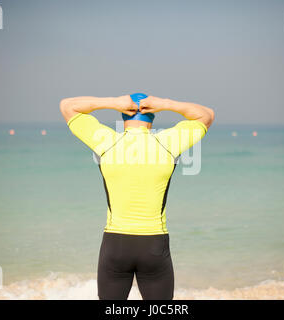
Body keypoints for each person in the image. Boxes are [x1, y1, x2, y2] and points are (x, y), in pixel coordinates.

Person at [60, 94, 214, 300]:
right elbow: (206, 115)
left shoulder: (107, 142)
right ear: (152, 117)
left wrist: (113, 102)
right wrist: (165, 104)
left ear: (123, 116)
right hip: (154, 246)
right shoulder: (167, 143)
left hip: (115, 245)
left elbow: (67, 106)